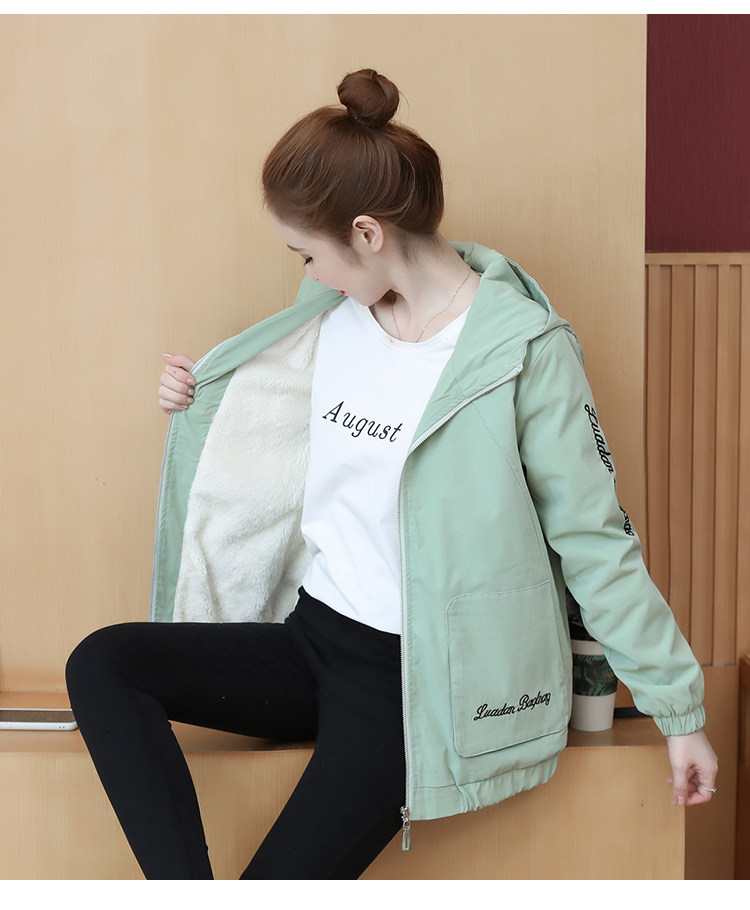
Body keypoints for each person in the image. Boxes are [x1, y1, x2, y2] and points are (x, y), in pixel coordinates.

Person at [66, 68, 718, 881]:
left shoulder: (521, 352)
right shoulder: (333, 315)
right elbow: (265, 411)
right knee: (103, 663)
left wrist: (679, 713)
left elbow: (594, 539)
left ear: (367, 233)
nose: (308, 273)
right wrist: (200, 396)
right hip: (312, 639)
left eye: (310, 254)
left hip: (411, 686)